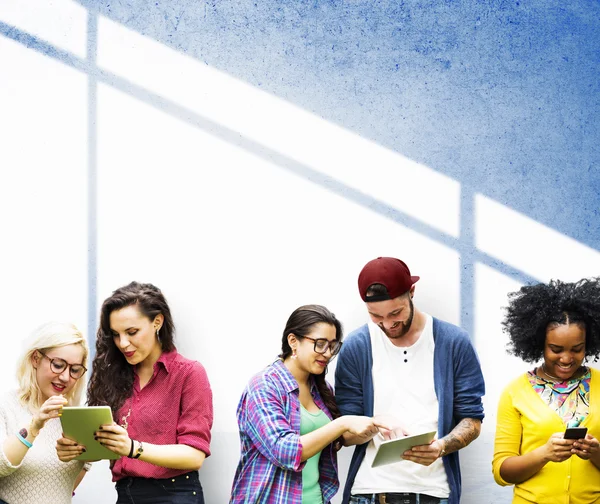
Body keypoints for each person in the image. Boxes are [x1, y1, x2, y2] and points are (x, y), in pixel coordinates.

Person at [334, 257, 486, 504]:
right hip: (368, 491)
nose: (388, 324)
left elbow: (472, 419)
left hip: (433, 493)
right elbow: (344, 432)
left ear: (412, 292)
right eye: (376, 316)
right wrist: (372, 424)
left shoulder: (453, 342)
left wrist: (442, 447)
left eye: (396, 313)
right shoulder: (357, 346)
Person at [58, 281, 213, 503]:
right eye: (116, 334)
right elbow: (103, 445)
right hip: (126, 494)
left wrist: (132, 448)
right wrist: (75, 450)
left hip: (174, 494)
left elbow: (194, 455)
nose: (123, 343)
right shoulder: (114, 376)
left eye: (132, 332)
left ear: (157, 322)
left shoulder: (189, 374)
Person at [230, 304, 383, 504]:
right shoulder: (264, 386)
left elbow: (334, 440)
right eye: (320, 344)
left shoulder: (321, 388)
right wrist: (342, 423)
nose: (328, 353)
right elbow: (284, 451)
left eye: (333, 346)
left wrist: (373, 427)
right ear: (293, 341)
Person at [492, 278, 600, 503]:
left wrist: (596, 453)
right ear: (538, 343)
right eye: (556, 349)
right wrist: (544, 454)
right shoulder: (515, 392)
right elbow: (502, 472)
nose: (567, 358)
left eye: (577, 349)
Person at [0, 321, 90, 504]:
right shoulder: (6, 406)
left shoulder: (77, 418)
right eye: (58, 365)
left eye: (74, 370)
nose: (65, 377)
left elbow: (68, 485)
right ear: (35, 358)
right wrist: (35, 425)